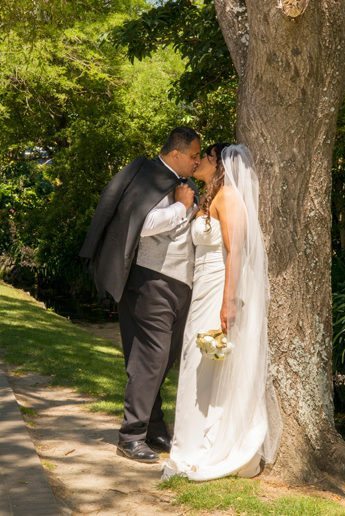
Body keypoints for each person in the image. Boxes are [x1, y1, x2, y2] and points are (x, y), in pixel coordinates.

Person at [79, 127, 201, 463]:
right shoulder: (150, 176)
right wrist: (180, 207)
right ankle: (131, 435)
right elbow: (141, 224)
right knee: (150, 358)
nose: (195, 162)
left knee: (164, 358)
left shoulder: (180, 183)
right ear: (176, 153)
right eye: (193, 156)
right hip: (150, 282)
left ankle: (154, 425)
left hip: (179, 283)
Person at [162, 143, 282, 481]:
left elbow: (235, 252)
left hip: (218, 287)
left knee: (206, 361)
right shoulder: (208, 197)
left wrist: (228, 301)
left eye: (206, 157)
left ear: (219, 165)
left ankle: (208, 443)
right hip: (201, 287)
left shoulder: (228, 198)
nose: (198, 160)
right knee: (195, 361)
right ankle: (189, 440)